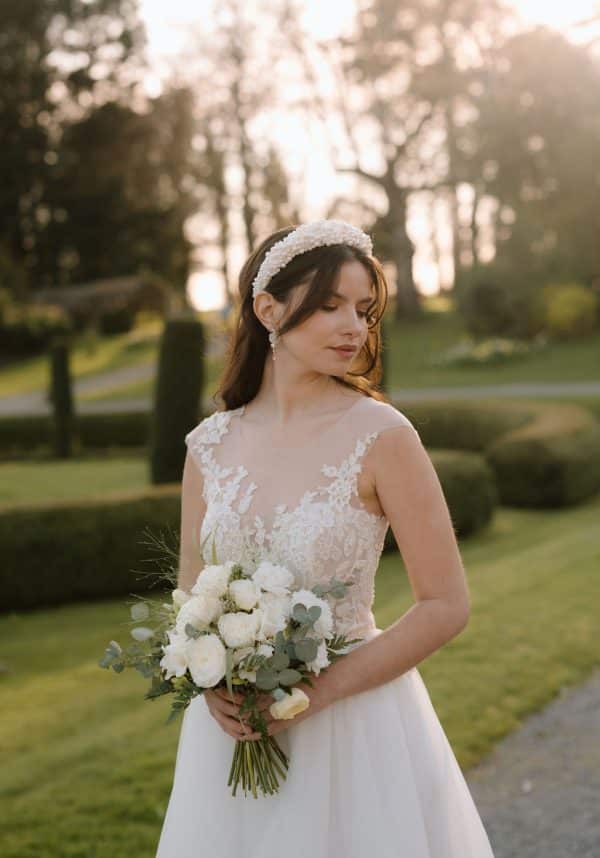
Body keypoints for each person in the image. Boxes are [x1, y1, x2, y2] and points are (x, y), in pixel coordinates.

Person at [155, 220, 495, 857]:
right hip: (231, 738)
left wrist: (317, 692)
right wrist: (210, 682)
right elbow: (191, 590)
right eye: (331, 305)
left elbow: (446, 604)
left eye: (363, 310)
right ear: (268, 309)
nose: (355, 328)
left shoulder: (384, 436)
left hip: (353, 729)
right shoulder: (209, 446)